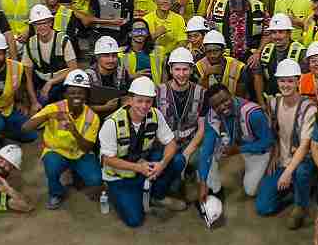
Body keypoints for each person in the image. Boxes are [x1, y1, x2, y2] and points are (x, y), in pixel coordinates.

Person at [99, 77, 188, 227]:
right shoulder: (111, 123)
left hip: (143, 164)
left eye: (148, 101)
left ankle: (156, 196)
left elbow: (171, 143)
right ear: (130, 100)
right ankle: (121, 191)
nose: (144, 106)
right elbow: (108, 159)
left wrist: (162, 164)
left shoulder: (155, 114)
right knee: (135, 220)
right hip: (119, 175)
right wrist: (138, 167)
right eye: (139, 101)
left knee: (178, 160)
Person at [22, 69, 101, 210]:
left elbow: (87, 148)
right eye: (72, 92)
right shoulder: (54, 108)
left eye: (81, 92)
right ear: (65, 94)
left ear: (86, 95)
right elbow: (25, 128)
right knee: (52, 166)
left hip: (79, 154)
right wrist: (48, 116)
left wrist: (74, 132)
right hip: (56, 152)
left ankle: (75, 173)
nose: (76, 96)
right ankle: (56, 193)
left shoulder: (92, 117)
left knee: (95, 180)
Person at [256, 59, 317, 227]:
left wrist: (288, 172)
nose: (286, 85)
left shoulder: (308, 108)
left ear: (298, 81)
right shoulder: (274, 103)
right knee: (263, 207)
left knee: (302, 171)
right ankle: (294, 189)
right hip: (282, 160)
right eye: (282, 80)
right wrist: (275, 154)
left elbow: (305, 146)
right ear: (277, 81)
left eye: (290, 80)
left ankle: (301, 204)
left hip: (301, 161)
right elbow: (275, 133)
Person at [196, 83, 274, 204]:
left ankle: (268, 174)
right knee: (205, 155)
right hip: (236, 144)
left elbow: (268, 141)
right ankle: (214, 190)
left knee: (251, 190)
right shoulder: (212, 116)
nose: (222, 107)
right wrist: (202, 183)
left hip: (258, 150)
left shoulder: (252, 113)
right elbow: (206, 150)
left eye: (225, 100)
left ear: (231, 95)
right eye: (216, 105)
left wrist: (239, 150)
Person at [155, 47, 207, 199]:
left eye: (185, 69)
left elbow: (202, 129)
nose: (182, 74)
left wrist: (186, 154)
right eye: (177, 69)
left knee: (207, 157)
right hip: (164, 145)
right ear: (170, 69)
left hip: (190, 144)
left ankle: (191, 171)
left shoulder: (201, 93)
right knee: (174, 187)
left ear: (191, 69)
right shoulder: (158, 92)